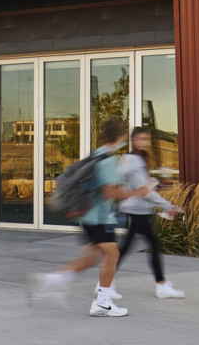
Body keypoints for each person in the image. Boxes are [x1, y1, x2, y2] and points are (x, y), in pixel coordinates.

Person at [34, 116, 133, 317]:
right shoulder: (108, 160)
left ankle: (53, 280)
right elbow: (109, 192)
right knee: (112, 254)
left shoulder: (97, 154)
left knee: (90, 258)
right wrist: (136, 193)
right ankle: (102, 303)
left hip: (86, 216)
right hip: (99, 218)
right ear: (121, 135)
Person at [116, 126, 185, 299]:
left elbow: (140, 185)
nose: (145, 142)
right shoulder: (133, 160)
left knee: (127, 247)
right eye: (141, 139)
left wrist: (158, 187)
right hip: (136, 209)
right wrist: (168, 206)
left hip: (137, 208)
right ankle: (161, 286)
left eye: (146, 139)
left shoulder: (136, 159)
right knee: (151, 245)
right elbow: (144, 190)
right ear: (133, 141)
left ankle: (105, 283)